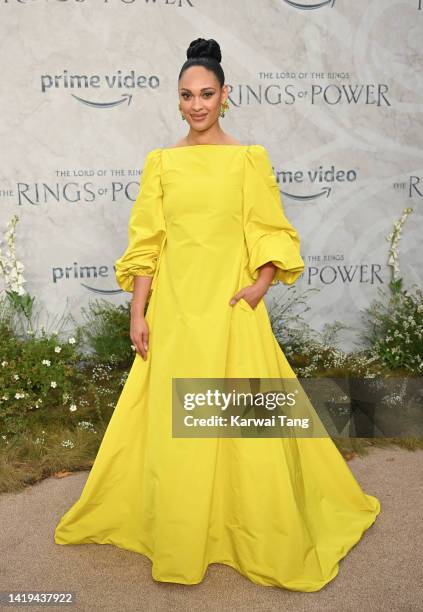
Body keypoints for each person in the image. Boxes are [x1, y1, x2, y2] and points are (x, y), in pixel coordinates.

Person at [54, 37, 381, 591]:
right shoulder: (161, 164)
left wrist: (260, 285)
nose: (197, 104)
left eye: (207, 93)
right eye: (187, 95)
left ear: (225, 95)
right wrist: (139, 312)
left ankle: (246, 525)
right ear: (177, 100)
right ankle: (183, 530)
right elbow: (147, 245)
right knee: (175, 425)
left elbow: (270, 229)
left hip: (231, 311)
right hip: (177, 313)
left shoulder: (248, 160)